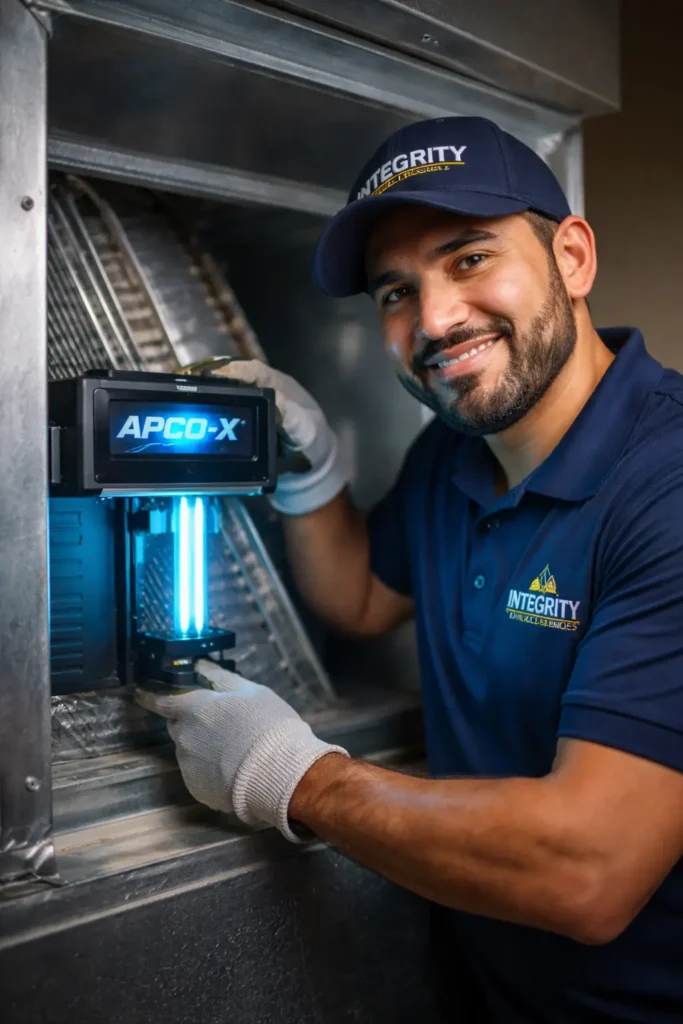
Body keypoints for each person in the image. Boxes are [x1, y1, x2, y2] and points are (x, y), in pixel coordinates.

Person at [137, 117, 683, 1022]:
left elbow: (591, 870)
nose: (432, 320)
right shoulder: (453, 451)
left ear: (574, 258)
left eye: (468, 259)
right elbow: (358, 597)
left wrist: (293, 775)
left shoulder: (664, 485)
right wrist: (312, 475)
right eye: (396, 290)